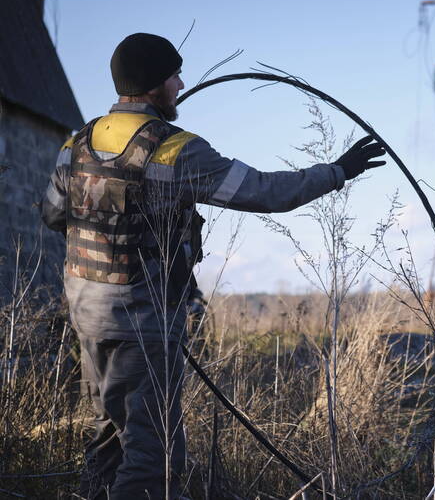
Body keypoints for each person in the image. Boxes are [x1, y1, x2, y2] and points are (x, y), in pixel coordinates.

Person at [40, 33, 386, 499]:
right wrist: (338, 171)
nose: (181, 84)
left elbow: (54, 215)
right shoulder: (175, 150)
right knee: (151, 454)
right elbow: (267, 193)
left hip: (85, 316)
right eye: (173, 75)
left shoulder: (75, 143)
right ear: (153, 84)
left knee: (108, 435)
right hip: (144, 325)